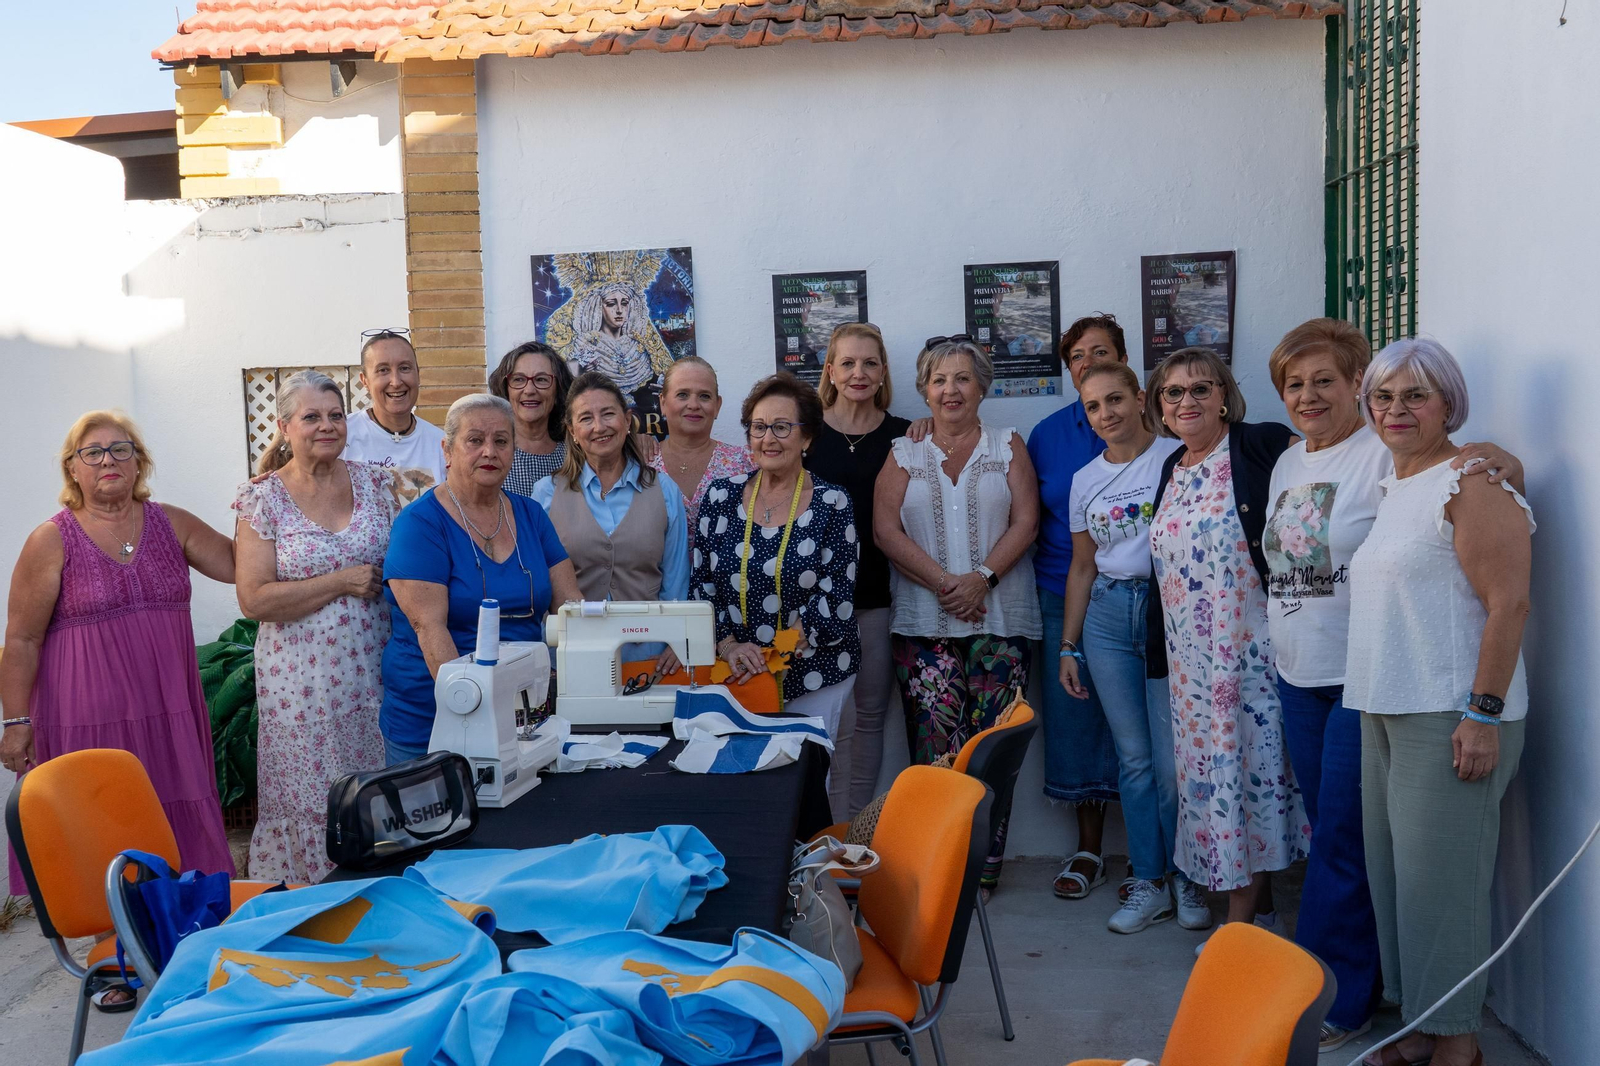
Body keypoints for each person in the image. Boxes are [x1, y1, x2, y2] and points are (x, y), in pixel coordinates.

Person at [1263, 319, 1525, 1052]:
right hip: (1325, 681)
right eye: (1294, 384)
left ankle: (1351, 1008)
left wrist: (1483, 712)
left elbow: (1498, 563)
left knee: (1372, 856)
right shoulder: (1308, 464)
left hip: (1400, 691)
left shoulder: (1413, 459)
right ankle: (1399, 1013)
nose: (1310, 395)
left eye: (1327, 380)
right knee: (1367, 856)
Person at [1343, 339, 1534, 1066]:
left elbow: (1509, 602)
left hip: (1450, 714)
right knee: (1398, 885)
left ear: (1448, 404)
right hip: (1386, 707)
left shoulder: (1473, 481)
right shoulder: (1401, 486)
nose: (1396, 410)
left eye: (1416, 395)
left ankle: (1457, 1046)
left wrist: (1481, 713)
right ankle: (1416, 1029)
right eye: (1384, 397)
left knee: (1441, 889)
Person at [2, 412, 235, 940]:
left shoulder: (172, 523)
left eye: (121, 450)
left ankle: (189, 934)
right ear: (73, 468)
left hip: (168, 712)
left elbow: (243, 564)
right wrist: (15, 721)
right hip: (87, 718)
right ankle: (116, 955)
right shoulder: (51, 539)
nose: (108, 460)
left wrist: (272, 500)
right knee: (102, 824)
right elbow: (21, 639)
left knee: (175, 819)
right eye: (94, 452)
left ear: (139, 464)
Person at [1145, 346, 1308, 944]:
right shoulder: (1172, 467)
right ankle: (1257, 913)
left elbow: (1336, 462)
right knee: (1218, 784)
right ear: (1159, 407)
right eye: (1172, 392)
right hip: (1192, 668)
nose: (1186, 401)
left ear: (1223, 397)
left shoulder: (1260, 443)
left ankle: (1239, 929)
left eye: (1199, 389)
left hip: (1250, 659)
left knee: (1252, 777)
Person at [876, 338, 1040, 891]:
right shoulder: (904, 452)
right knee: (934, 750)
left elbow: (1026, 522)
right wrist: (949, 584)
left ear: (982, 387)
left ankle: (984, 868)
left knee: (993, 747)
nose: (951, 390)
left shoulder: (1007, 444)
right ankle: (942, 865)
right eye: (940, 379)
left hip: (1001, 623)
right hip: (924, 627)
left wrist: (982, 579)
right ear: (925, 388)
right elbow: (885, 531)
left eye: (963, 378)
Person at [234, 371, 397, 882]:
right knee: (315, 795)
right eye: (311, 417)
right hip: (301, 687)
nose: (326, 425)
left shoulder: (378, 482)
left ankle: (384, 900)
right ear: (283, 427)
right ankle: (315, 905)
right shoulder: (262, 499)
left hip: (375, 668)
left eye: (335, 415)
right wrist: (343, 581)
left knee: (378, 783)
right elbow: (254, 598)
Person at [1056, 362, 1201, 935]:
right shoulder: (1084, 479)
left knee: (1171, 765)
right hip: (1109, 617)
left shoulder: (1176, 456)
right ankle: (1150, 882)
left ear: (1141, 398)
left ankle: (1189, 874)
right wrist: (1070, 645)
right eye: (1093, 406)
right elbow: (1083, 566)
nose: (1107, 413)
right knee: (1135, 762)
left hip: (1172, 610)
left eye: (1116, 399)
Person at [692, 373, 861, 817]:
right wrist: (730, 648)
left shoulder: (832, 502)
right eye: (759, 426)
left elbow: (836, 600)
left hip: (814, 674)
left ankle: (803, 879)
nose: (769, 438)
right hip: (734, 672)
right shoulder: (720, 496)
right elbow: (702, 586)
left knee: (802, 789)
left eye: (783, 427)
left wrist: (770, 657)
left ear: (806, 437)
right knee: (742, 791)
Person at [380, 394, 581, 764]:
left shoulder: (532, 515)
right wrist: (481, 717)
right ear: (448, 450)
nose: (489, 451)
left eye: (501, 441)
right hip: (440, 720)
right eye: (475, 440)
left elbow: (570, 608)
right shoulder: (420, 525)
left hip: (526, 720)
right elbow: (429, 629)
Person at [1028, 317, 1126, 901]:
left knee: (1143, 722)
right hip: (1059, 589)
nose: (1087, 363)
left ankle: (1157, 853)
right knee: (1074, 719)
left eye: (1101, 352)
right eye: (1077, 356)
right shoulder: (1046, 434)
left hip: (1141, 593)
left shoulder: (1159, 425)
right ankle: (1090, 848)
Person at [806, 323, 910, 817]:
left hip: (876, 598)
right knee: (828, 720)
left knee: (869, 717)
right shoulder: (805, 434)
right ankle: (826, 828)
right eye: (847, 363)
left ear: (883, 370)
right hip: (812, 604)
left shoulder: (906, 436)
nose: (858, 373)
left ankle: (856, 832)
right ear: (830, 370)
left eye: (869, 363)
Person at [531, 372, 689, 673]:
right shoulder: (547, 493)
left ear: (627, 420)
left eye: (608, 414)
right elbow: (540, 584)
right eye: (586, 418)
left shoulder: (664, 490)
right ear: (573, 431)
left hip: (649, 658)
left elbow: (676, 578)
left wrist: (675, 641)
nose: (599, 427)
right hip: (572, 657)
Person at [648, 356, 752, 535]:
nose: (693, 405)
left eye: (704, 396)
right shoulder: (642, 462)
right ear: (663, 403)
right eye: (682, 395)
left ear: (717, 405)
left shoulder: (745, 463)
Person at [342, 329, 447, 504]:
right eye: (383, 370)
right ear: (364, 380)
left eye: (405, 368)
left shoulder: (441, 444)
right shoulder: (342, 435)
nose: (396, 382)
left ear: (418, 374)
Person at [490, 341, 572, 496]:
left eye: (541, 379)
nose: (529, 390)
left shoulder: (575, 457)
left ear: (558, 391)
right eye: (518, 379)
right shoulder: (491, 456)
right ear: (506, 391)